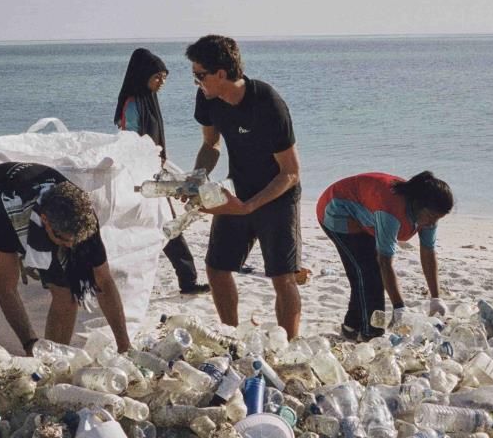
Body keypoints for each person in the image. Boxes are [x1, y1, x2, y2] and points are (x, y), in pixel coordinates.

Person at [0, 161, 133, 353]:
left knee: (67, 292)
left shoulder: (84, 220)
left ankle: (54, 363)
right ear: (45, 221)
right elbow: (6, 290)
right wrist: (30, 344)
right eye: (63, 240)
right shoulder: (8, 217)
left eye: (74, 241)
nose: (70, 246)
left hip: (45, 204)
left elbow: (104, 281)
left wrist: (124, 346)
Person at [186, 35, 302, 339]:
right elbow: (211, 144)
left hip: (278, 197)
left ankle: (286, 346)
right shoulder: (207, 99)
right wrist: (196, 177)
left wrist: (249, 206)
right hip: (238, 192)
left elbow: (290, 172)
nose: (196, 82)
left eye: (199, 75)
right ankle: (231, 334)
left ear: (221, 74)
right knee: (217, 268)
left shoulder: (267, 102)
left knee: (282, 278)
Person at [113, 47, 209, 295]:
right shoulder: (132, 104)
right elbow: (129, 143)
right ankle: (185, 281)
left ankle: (187, 280)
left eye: (164, 78)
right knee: (163, 227)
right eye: (158, 77)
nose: (162, 82)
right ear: (143, 75)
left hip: (154, 174)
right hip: (139, 179)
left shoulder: (149, 101)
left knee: (167, 226)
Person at [317, 171, 454, 341]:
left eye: (438, 219)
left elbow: (428, 251)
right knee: (368, 273)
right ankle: (372, 334)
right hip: (337, 210)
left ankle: (351, 327)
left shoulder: (427, 213)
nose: (433, 223)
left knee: (365, 273)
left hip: (365, 216)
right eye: (432, 217)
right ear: (418, 204)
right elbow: (385, 263)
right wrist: (399, 307)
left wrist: (435, 297)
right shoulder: (391, 211)